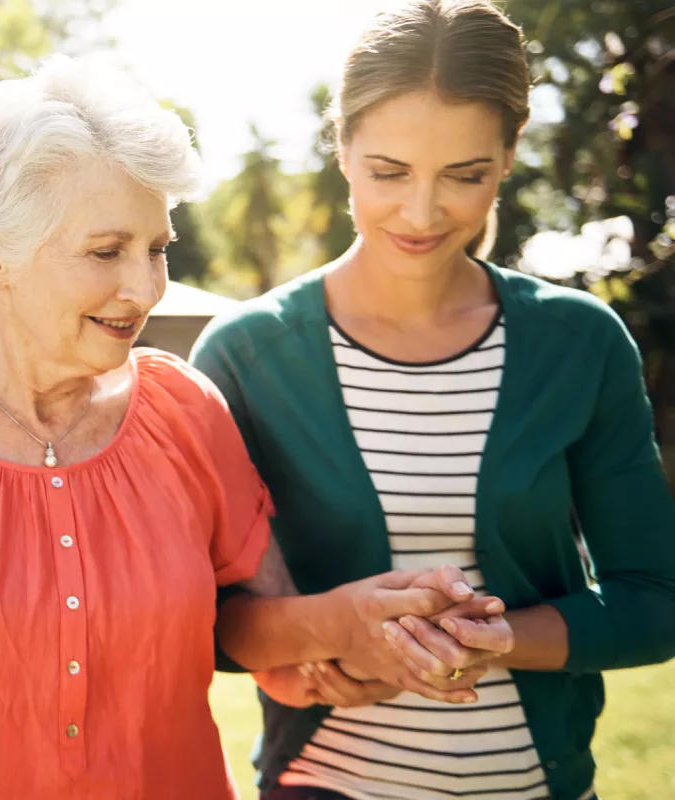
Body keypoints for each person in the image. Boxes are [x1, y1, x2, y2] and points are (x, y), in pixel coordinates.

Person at [0, 56, 511, 800]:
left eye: (157, 249)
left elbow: (264, 633)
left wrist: (368, 629)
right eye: (106, 252)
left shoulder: (183, 411)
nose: (143, 288)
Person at [190, 2, 675, 799]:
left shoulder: (580, 344)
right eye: (388, 172)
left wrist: (493, 639)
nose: (421, 213)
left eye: (465, 175)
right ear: (340, 144)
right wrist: (342, 624)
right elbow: (208, 622)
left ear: (511, 154)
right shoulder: (245, 356)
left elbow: (653, 603)